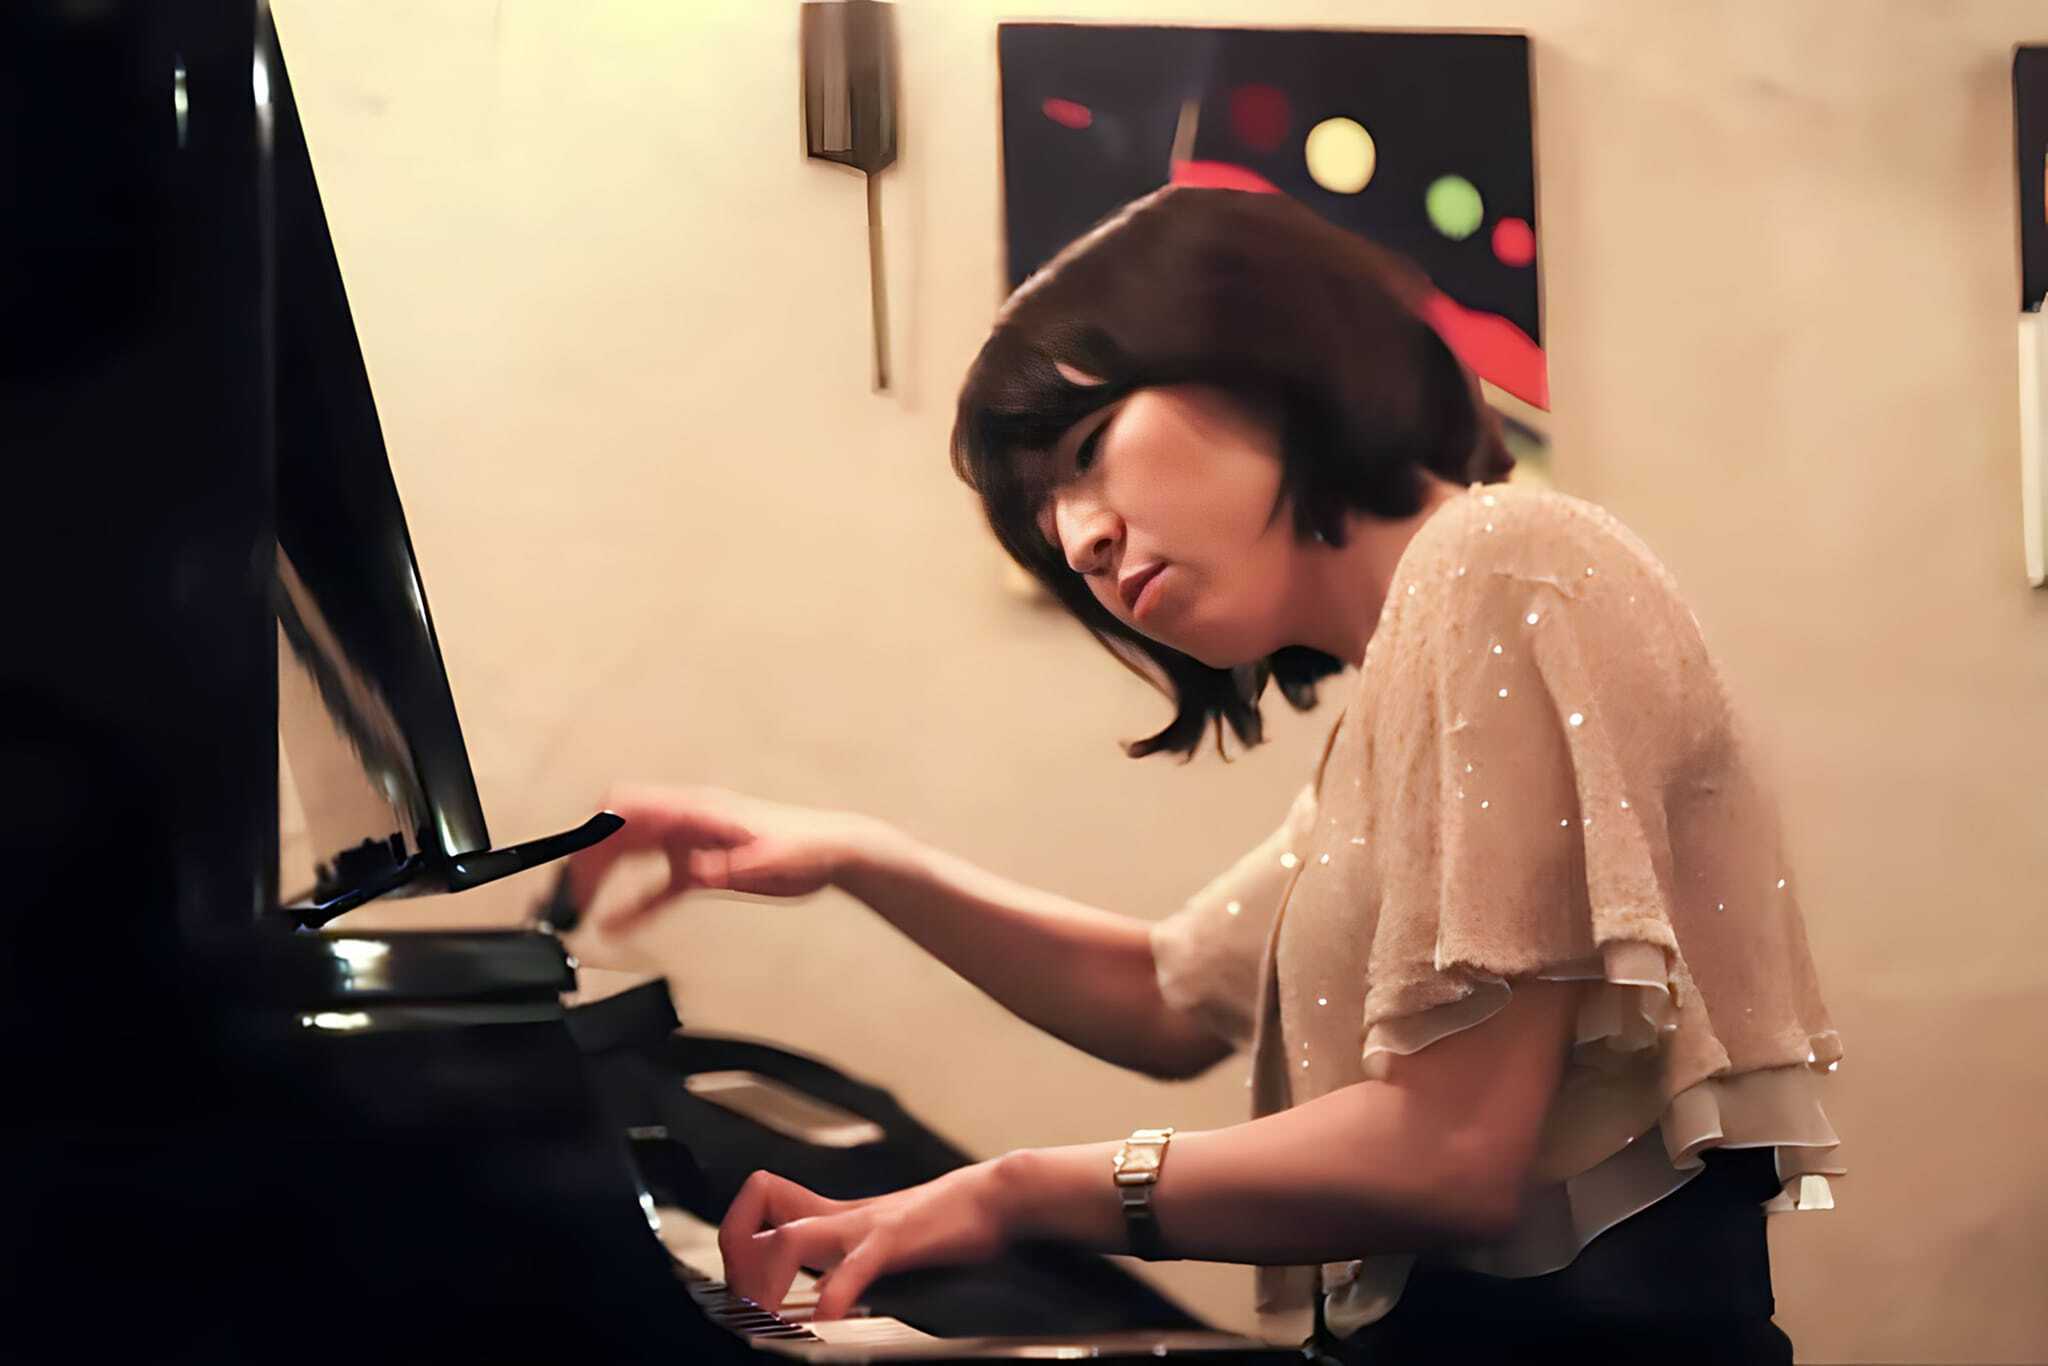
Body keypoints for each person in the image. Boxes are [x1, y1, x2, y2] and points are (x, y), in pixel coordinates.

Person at [566, 187, 1843, 1364]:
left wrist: (1014, 1191)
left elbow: (1449, 1148)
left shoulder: (1501, 561)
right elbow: (1169, 994)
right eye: (1046, 516)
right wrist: (858, 856)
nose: (1078, 539)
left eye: (1085, 449)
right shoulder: (1392, 694)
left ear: (1255, 350)